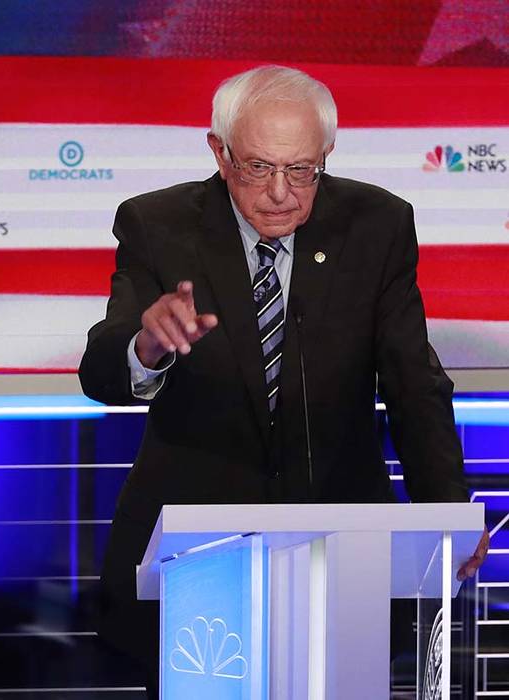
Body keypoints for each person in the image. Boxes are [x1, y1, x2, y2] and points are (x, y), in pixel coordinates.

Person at [78, 65, 488, 696]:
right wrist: (147, 345)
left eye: (301, 170)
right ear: (218, 151)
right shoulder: (156, 224)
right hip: (196, 546)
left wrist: (448, 516)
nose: (280, 192)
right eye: (257, 167)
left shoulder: (376, 225)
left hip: (341, 541)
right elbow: (100, 368)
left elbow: (414, 382)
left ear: (326, 156)